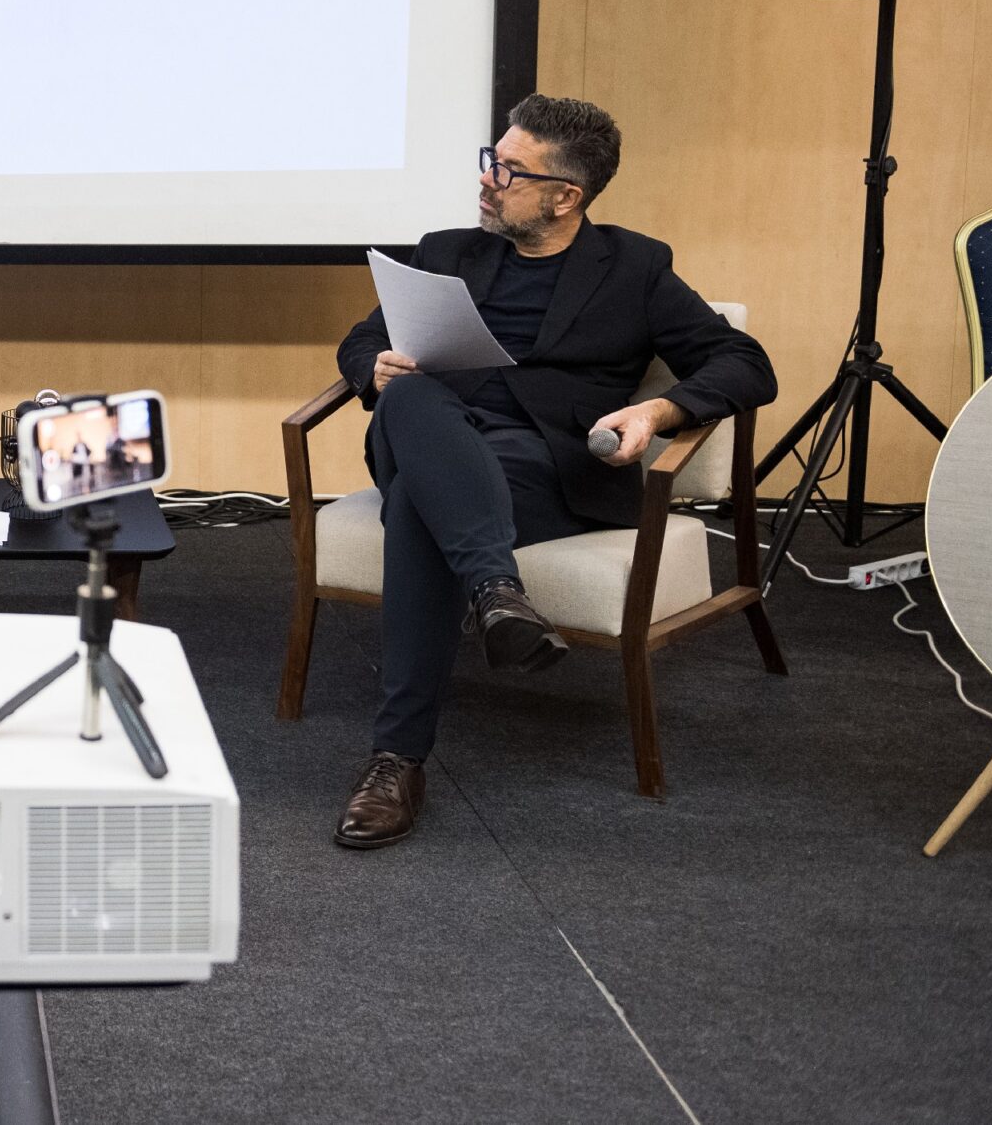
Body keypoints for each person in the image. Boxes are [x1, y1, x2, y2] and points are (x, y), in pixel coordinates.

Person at [328, 95, 774, 849]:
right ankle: (496, 594)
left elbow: (744, 362)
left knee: (416, 508)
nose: (487, 179)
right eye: (491, 160)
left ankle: (398, 758)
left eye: (509, 170)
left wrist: (658, 412)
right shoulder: (445, 251)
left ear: (566, 197)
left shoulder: (634, 268)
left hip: (550, 467)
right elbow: (362, 340)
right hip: (431, 434)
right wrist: (372, 367)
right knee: (409, 401)